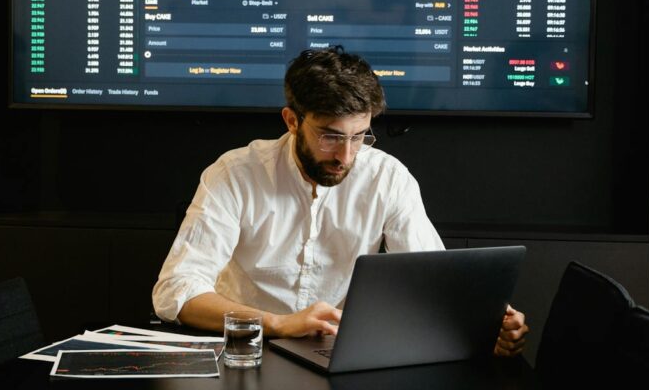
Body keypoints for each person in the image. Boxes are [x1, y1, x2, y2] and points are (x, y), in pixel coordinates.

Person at [152, 46, 529, 357]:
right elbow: (176, 291)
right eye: (330, 137)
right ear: (292, 121)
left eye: (359, 136)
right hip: (246, 351)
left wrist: (484, 328)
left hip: (339, 355)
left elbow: (436, 283)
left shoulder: (387, 177)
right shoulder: (234, 174)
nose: (346, 157)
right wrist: (278, 323)